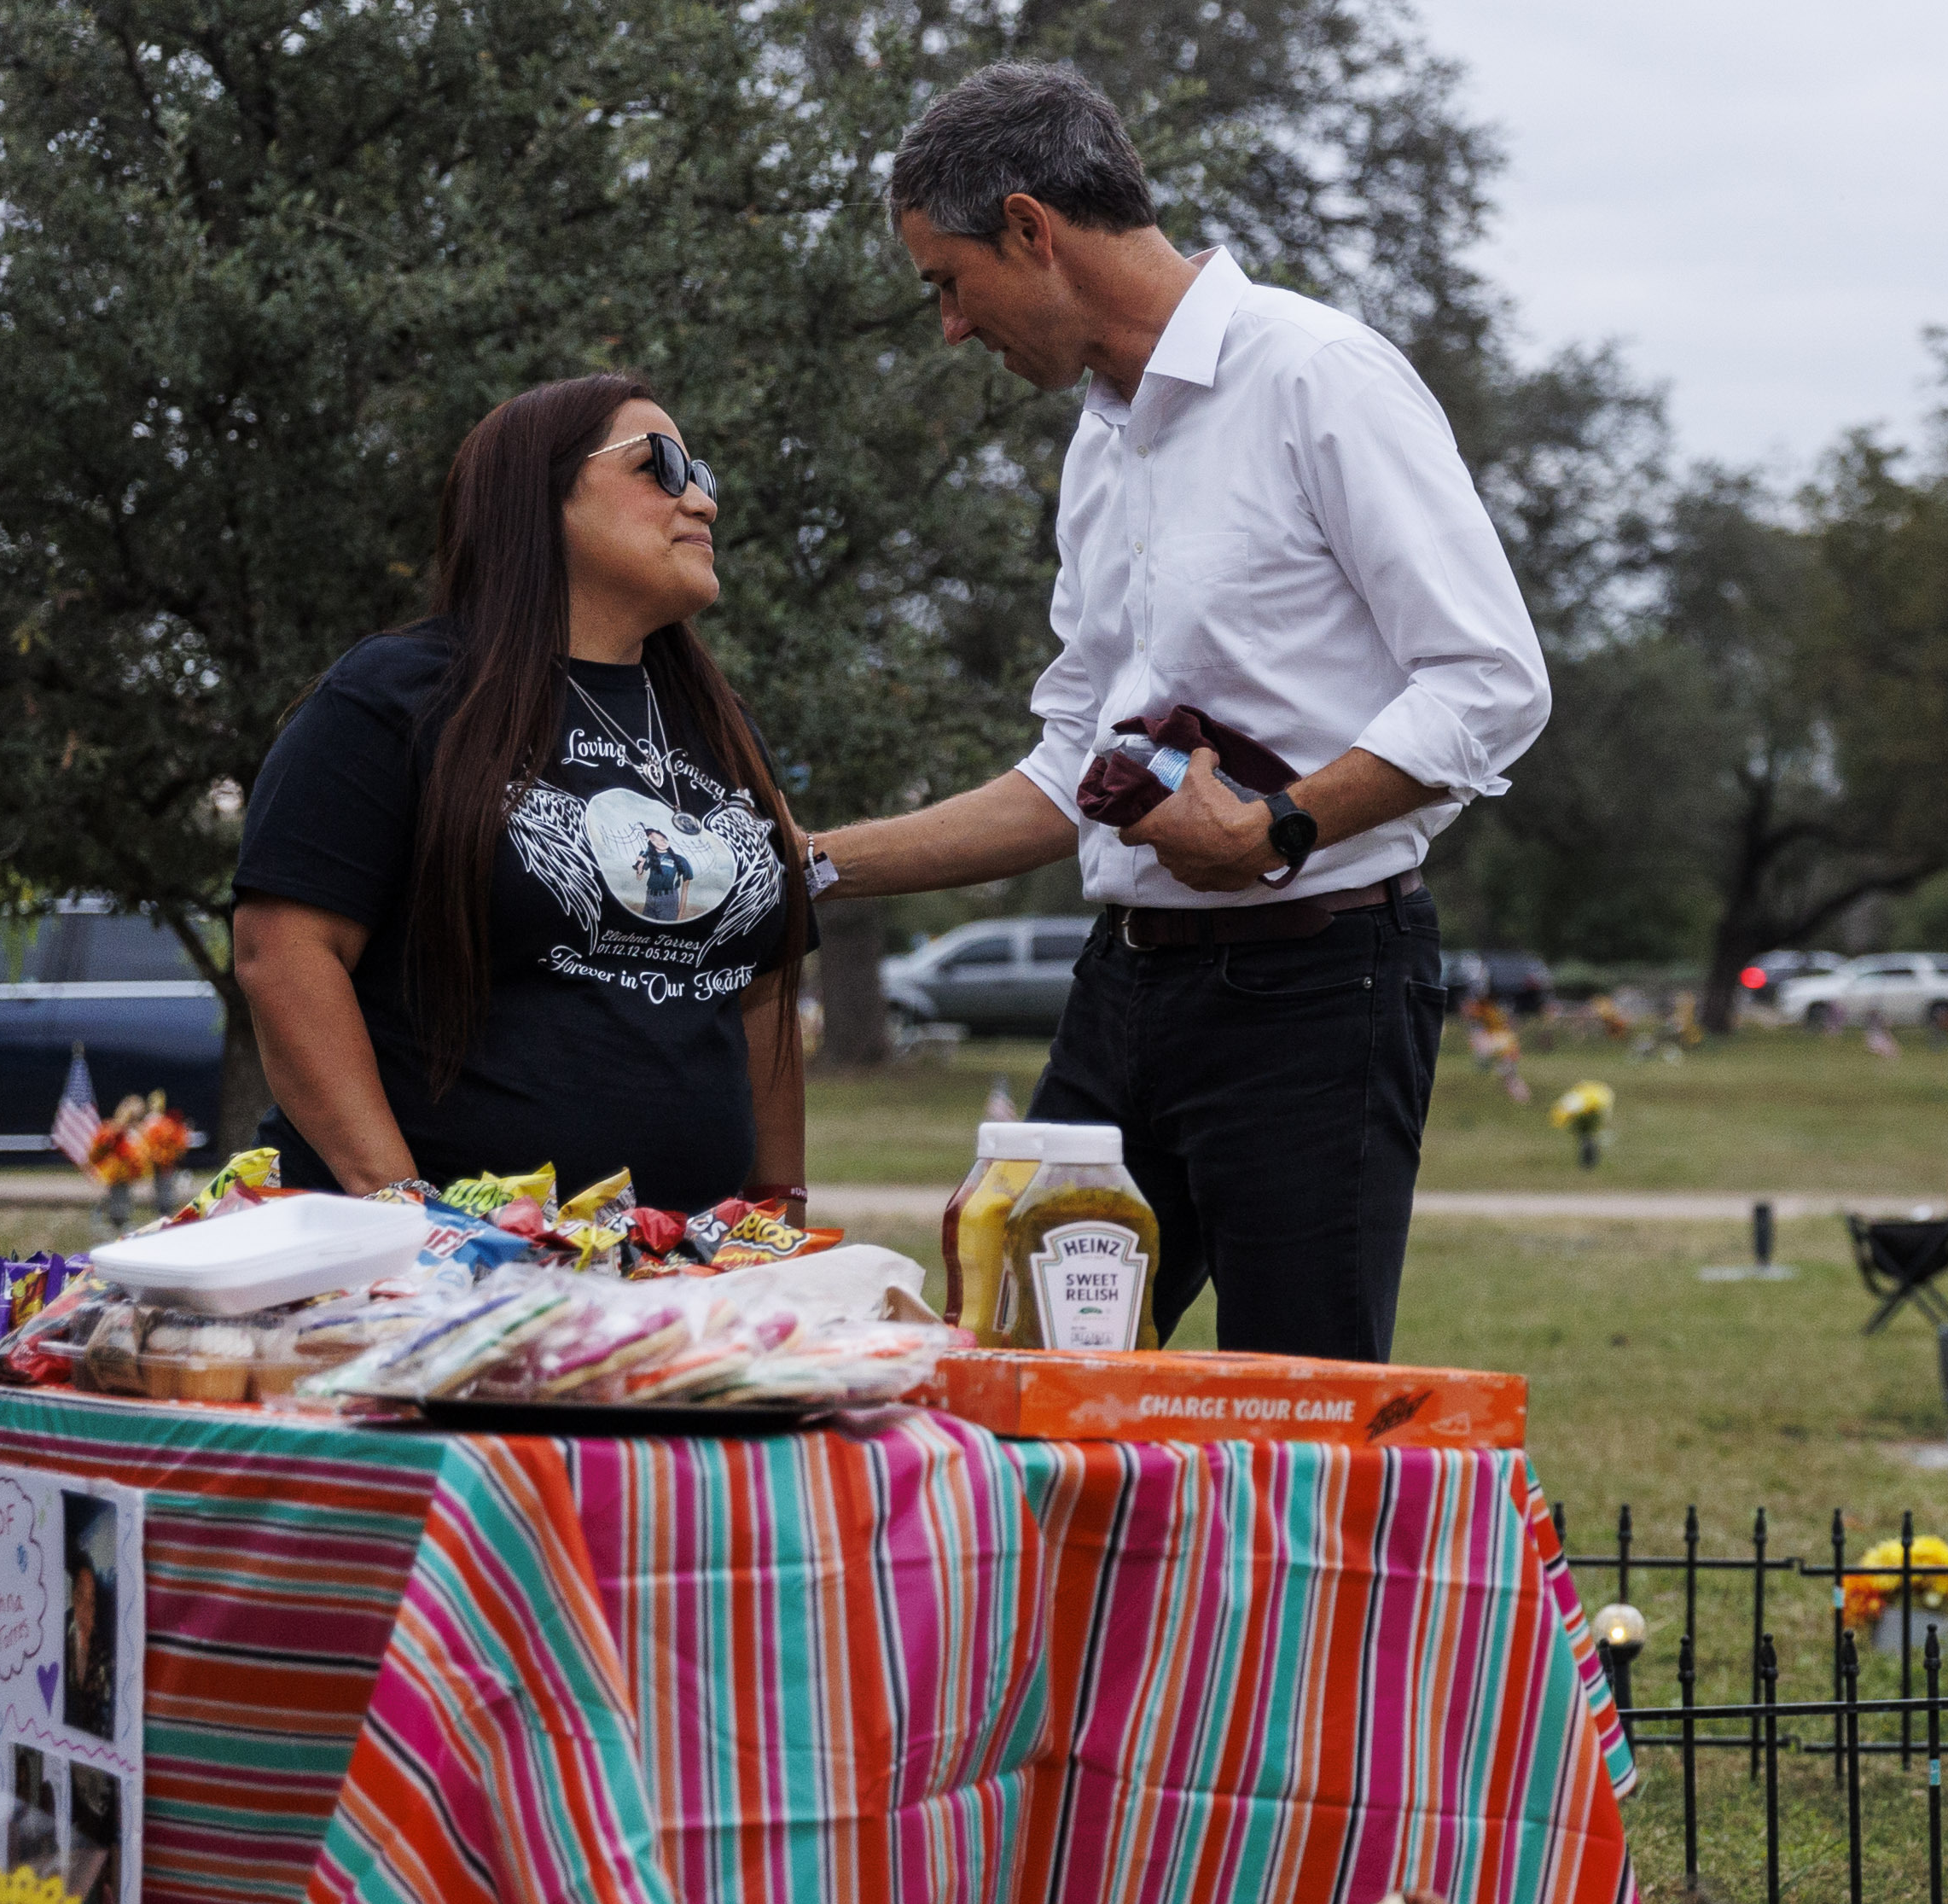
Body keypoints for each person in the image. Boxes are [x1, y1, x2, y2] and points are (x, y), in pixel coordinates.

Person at [805, 61, 1553, 1363]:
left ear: (1031, 230)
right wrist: (805, 865)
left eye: (947, 283)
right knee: (1025, 1374)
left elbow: (1493, 681)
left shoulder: (1322, 375)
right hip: (1121, 989)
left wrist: (1279, 829)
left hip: (1319, 986)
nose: (951, 329)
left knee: (1292, 1417)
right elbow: (1067, 769)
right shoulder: (1102, 443)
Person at [232, 377, 815, 1214]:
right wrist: (401, 1212)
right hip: (442, 1272)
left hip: (679, 1270)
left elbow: (762, 982)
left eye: (706, 477)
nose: (701, 502)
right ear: (539, 493)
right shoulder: (400, 696)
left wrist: (776, 1209)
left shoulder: (721, 728)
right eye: (662, 465)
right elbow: (283, 952)